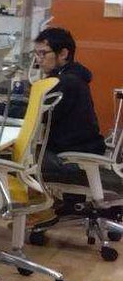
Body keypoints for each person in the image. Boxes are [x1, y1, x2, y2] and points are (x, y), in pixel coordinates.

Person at [32, 27, 111, 181]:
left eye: (43, 53)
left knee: (12, 158)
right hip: (76, 151)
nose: (38, 60)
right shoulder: (70, 77)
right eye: (36, 53)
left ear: (63, 54)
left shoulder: (67, 82)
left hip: (71, 160)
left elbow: (36, 114)